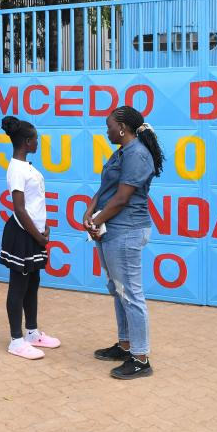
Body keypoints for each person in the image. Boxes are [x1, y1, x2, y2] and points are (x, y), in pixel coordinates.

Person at [84, 105, 164, 380]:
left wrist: (95, 221)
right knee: (118, 290)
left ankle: (140, 359)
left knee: (130, 293)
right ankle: (126, 345)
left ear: (122, 128)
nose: (106, 131)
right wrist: (90, 211)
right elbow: (105, 188)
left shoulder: (137, 154)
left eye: (109, 126)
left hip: (127, 231)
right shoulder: (121, 152)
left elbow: (121, 198)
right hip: (111, 229)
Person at [0, 115, 61, 360]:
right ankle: (16, 341)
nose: (38, 142)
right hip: (21, 234)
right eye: (35, 139)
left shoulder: (27, 166)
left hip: (34, 233)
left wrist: (44, 228)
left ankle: (32, 333)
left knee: (32, 283)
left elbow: (35, 204)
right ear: (26, 142)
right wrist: (39, 237)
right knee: (18, 287)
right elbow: (19, 209)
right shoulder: (16, 169)